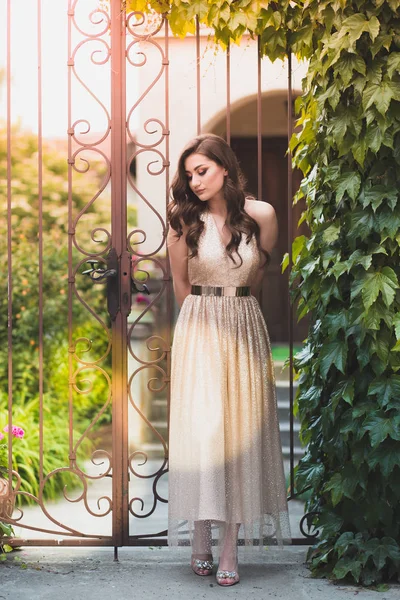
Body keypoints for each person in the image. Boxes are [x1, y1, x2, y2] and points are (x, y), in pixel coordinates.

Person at [166, 134, 290, 587]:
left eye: (203, 170)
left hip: (243, 324)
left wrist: (234, 314)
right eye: (190, 174)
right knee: (203, 435)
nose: (195, 181)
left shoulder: (261, 216)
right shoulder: (183, 221)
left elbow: (257, 274)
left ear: (224, 167)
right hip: (199, 328)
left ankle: (229, 547)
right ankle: (199, 532)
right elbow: (182, 289)